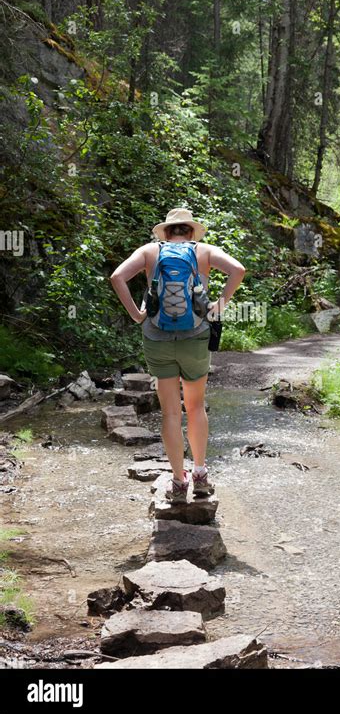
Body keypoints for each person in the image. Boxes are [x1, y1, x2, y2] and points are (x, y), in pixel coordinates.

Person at [109, 208, 246, 503]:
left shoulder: (149, 251)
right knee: (195, 408)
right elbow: (239, 270)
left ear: (167, 232)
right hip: (195, 337)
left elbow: (117, 277)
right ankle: (199, 474)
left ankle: (178, 481)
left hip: (156, 338)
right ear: (191, 231)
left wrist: (136, 315)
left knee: (171, 412)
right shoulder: (205, 251)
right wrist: (219, 306)